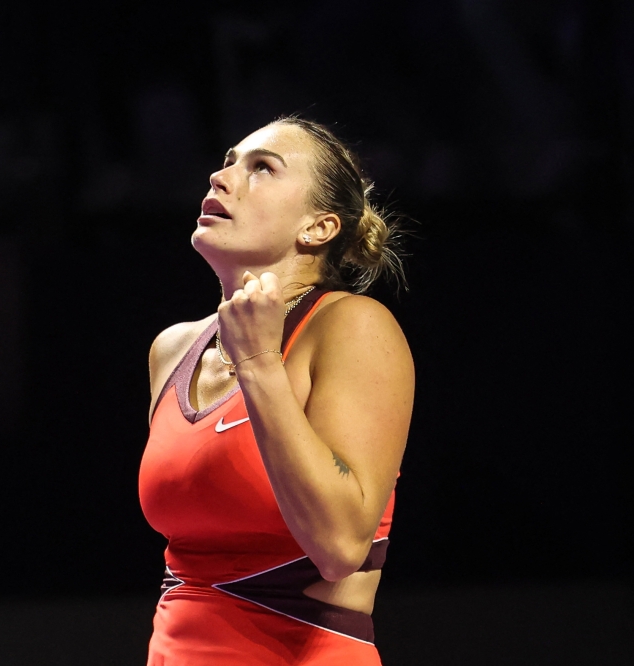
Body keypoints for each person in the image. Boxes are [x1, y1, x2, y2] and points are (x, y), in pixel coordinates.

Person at [138, 116, 414, 665]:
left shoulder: (353, 327)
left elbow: (339, 547)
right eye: (228, 161)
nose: (221, 178)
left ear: (318, 228)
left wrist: (262, 364)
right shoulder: (172, 350)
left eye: (262, 168)